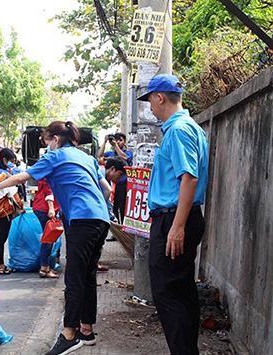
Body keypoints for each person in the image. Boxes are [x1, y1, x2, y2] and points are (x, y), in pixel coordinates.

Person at [0, 121, 110, 355]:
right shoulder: (86, 157)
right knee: (87, 274)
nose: (45, 146)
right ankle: (87, 330)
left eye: (46, 141)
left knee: (74, 277)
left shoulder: (56, 156)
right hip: (100, 218)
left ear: (55, 139)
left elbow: (21, 177)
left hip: (82, 220)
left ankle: (69, 335)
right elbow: (106, 189)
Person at [137, 74, 208, 355]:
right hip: (178, 216)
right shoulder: (188, 128)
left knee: (168, 294)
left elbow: (188, 177)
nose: (150, 109)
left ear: (159, 97)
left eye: (150, 102)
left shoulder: (179, 129)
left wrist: (176, 227)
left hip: (174, 218)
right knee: (180, 292)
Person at [0, 148, 19, 275]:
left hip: (0, 210)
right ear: (5, 160)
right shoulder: (0, 174)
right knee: (1, 238)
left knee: (1, 238)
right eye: (11, 161)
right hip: (2, 210)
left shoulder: (0, 171)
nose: (12, 163)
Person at [32, 178, 60, 278]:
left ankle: (45, 267)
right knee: (48, 239)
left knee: (47, 238)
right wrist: (51, 208)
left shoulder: (45, 174)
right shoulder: (50, 175)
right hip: (45, 209)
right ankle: (44, 268)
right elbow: (49, 191)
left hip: (40, 207)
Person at [105, 158, 127, 223]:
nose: (109, 178)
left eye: (120, 175)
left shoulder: (122, 182)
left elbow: (119, 208)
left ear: (113, 169)